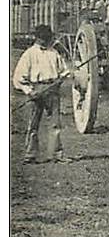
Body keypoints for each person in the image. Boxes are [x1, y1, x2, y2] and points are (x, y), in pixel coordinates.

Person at [13, 24, 71, 164]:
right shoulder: (29, 54)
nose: (46, 41)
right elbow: (18, 77)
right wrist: (29, 91)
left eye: (47, 38)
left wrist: (62, 77)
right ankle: (30, 155)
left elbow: (64, 70)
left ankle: (57, 154)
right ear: (37, 38)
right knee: (33, 125)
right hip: (36, 89)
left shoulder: (54, 53)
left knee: (55, 124)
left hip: (52, 90)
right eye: (43, 38)